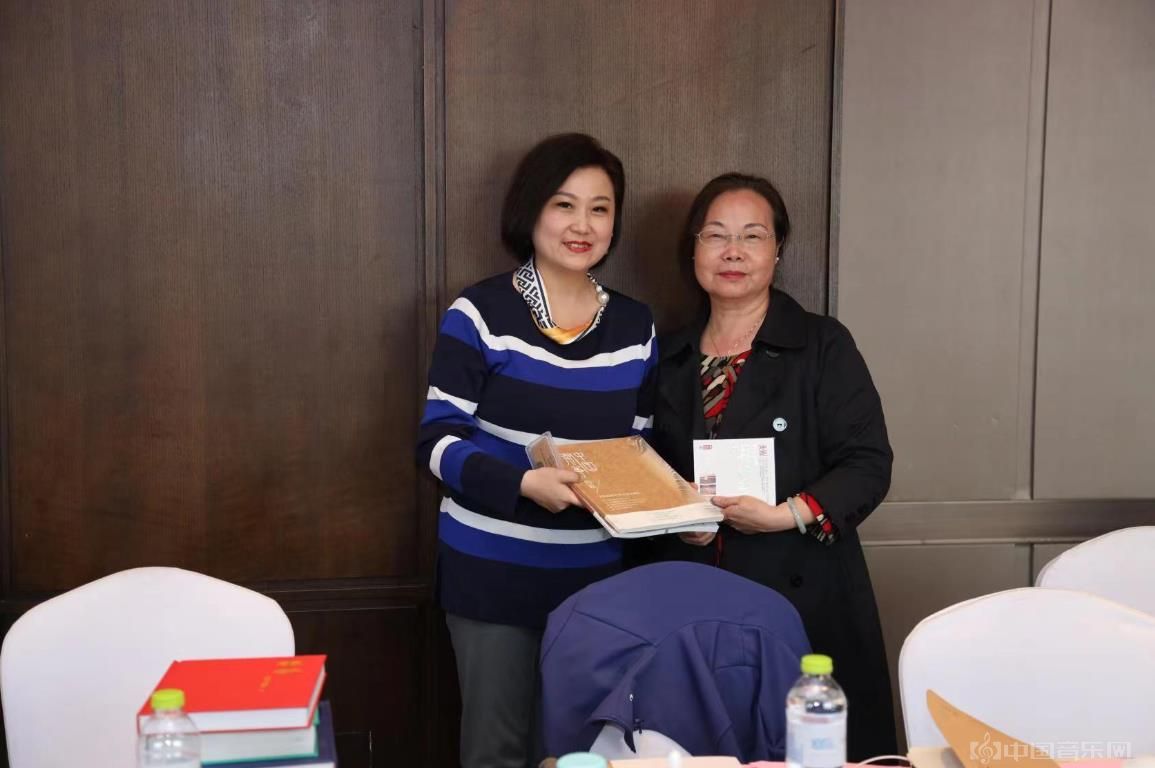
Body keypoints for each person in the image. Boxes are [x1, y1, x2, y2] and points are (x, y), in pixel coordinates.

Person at [416, 133, 657, 768]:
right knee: (497, 751)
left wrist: (677, 509)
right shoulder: (480, 312)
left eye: (600, 209)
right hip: (491, 573)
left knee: (579, 756)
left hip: (594, 583)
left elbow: (639, 448)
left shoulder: (636, 326)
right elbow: (435, 442)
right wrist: (523, 484)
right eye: (564, 205)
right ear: (531, 211)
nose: (583, 225)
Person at [637, 172, 897, 761]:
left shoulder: (822, 344)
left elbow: (868, 462)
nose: (733, 251)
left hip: (803, 590)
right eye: (716, 235)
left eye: (752, 236)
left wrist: (784, 514)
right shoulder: (667, 355)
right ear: (693, 250)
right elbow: (644, 468)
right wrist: (677, 519)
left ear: (777, 250)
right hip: (691, 590)